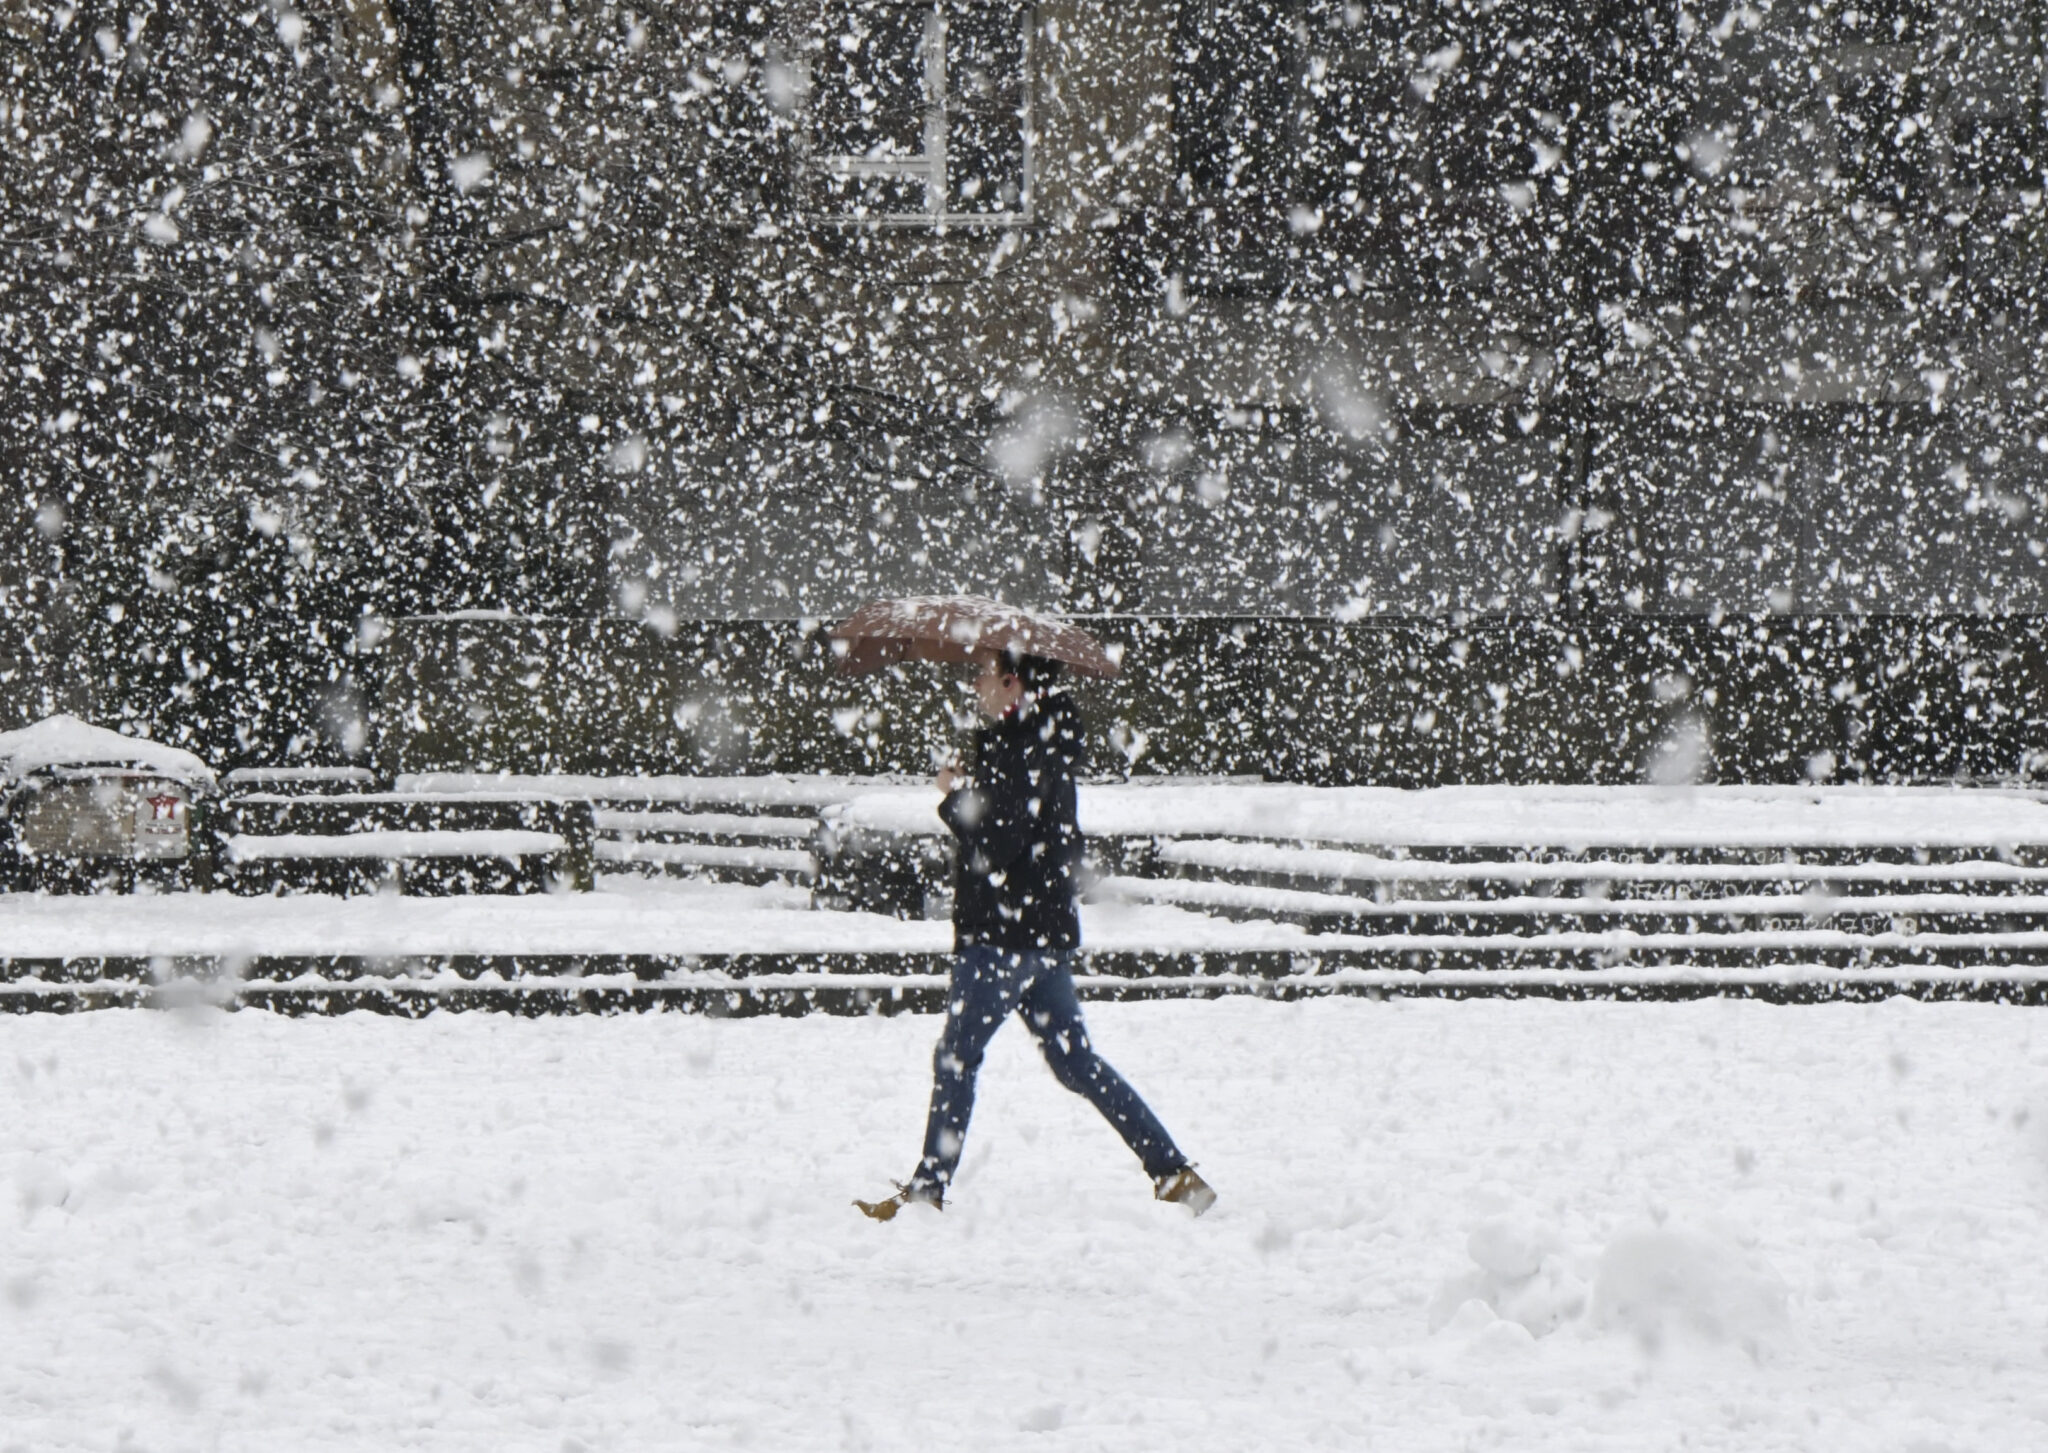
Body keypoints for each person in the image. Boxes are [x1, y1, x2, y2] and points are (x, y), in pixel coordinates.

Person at [856, 646, 1216, 1221]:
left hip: (1002, 939)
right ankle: (1173, 1173)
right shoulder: (1046, 747)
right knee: (1077, 1064)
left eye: (982, 675)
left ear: (1011, 682)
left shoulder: (1015, 748)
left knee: (957, 1057)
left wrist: (953, 797)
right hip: (1042, 939)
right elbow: (1057, 843)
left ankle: (928, 1189)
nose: (974, 684)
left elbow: (998, 844)